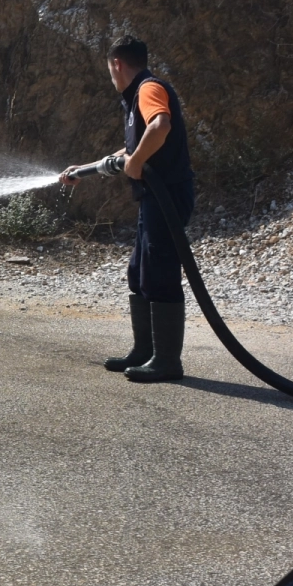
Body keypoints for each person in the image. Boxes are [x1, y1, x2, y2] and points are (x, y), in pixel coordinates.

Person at [61, 36, 196, 383]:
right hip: (153, 198)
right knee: (140, 272)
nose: (112, 79)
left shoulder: (148, 89)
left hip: (167, 196)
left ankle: (167, 361)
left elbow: (160, 127)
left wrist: (136, 162)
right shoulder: (136, 98)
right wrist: (84, 170)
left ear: (117, 65)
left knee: (160, 271)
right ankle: (144, 351)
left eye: (110, 72)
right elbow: (129, 149)